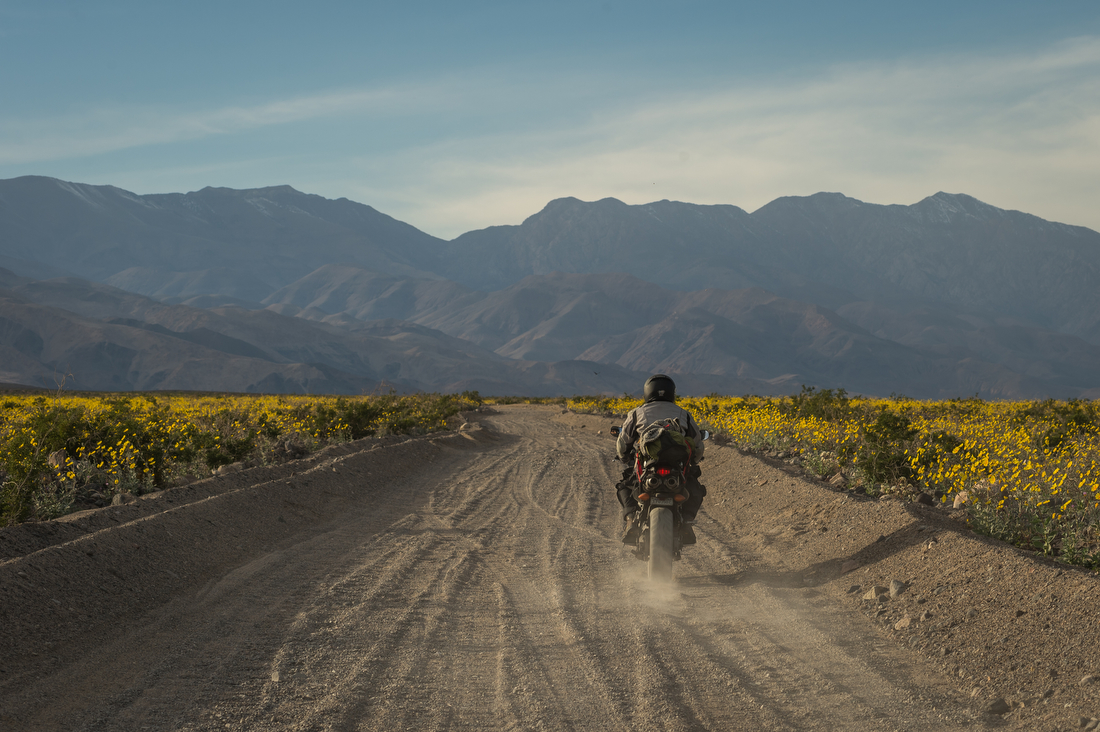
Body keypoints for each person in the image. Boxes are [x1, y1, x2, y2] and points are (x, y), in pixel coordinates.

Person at [615, 374, 706, 546]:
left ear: (647, 392)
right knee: (695, 488)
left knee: (624, 487)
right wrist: (695, 459)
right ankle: (686, 523)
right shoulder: (683, 414)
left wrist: (624, 456)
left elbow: (622, 443)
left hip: (646, 470)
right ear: (672, 393)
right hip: (676, 470)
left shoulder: (636, 413)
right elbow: (697, 444)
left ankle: (631, 522)